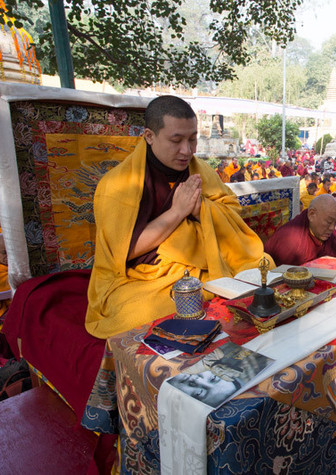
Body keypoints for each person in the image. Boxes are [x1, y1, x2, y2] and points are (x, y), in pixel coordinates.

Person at [85, 96, 266, 339]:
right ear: (150, 136)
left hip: (200, 266)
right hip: (140, 277)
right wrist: (177, 211)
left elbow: (232, 215)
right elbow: (124, 252)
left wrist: (201, 209)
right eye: (176, 140)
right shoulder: (117, 185)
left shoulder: (200, 171)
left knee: (262, 269)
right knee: (155, 311)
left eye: (192, 139)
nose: (187, 151)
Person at [264, 194, 336, 266]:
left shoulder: (329, 237)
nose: (332, 228)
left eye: (335, 223)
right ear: (311, 214)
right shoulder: (291, 240)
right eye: (329, 222)